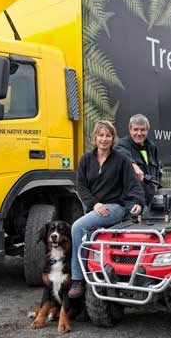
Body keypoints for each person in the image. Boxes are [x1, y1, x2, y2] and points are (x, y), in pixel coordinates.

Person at [68, 120, 145, 298]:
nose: (104, 139)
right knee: (84, 234)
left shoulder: (121, 160)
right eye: (100, 135)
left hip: (115, 207)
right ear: (94, 137)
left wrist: (139, 203)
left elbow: (134, 185)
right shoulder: (86, 159)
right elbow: (81, 187)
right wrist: (95, 204)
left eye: (108, 135)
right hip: (96, 208)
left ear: (113, 138)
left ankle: (78, 279)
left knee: (77, 227)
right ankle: (90, 273)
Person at [114, 114, 161, 206]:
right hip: (132, 202)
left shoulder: (152, 147)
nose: (139, 133)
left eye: (143, 129)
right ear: (130, 130)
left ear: (147, 130)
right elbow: (123, 155)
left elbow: (157, 172)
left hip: (151, 201)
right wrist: (133, 165)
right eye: (135, 129)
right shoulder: (122, 145)